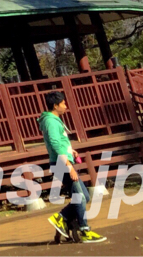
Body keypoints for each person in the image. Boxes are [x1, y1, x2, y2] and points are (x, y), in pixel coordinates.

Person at [39, 90, 106, 244]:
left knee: (84, 196)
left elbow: (59, 143)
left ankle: (64, 219)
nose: (66, 106)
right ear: (55, 105)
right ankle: (84, 230)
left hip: (62, 161)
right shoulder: (50, 121)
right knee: (80, 197)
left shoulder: (54, 120)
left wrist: (70, 151)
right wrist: (69, 165)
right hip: (62, 164)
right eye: (63, 103)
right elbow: (55, 143)